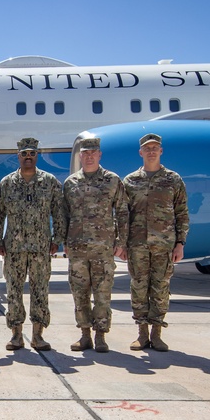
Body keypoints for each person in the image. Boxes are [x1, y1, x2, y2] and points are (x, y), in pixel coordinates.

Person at [0, 137, 66, 351]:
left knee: (40, 290)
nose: (28, 157)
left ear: (37, 156)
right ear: (18, 156)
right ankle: (16, 334)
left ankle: (38, 335)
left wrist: (57, 239)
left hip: (41, 247)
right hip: (14, 249)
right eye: (24, 154)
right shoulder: (6, 183)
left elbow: (58, 212)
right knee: (13, 291)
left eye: (32, 154)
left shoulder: (50, 182)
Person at [123, 133, 189, 352]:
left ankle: (157, 334)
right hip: (137, 244)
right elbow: (123, 215)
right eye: (147, 148)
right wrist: (122, 243)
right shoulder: (131, 181)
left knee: (160, 288)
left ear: (161, 151)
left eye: (155, 148)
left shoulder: (173, 179)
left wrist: (180, 243)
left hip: (164, 244)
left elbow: (182, 212)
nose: (151, 151)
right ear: (141, 152)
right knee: (139, 287)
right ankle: (142, 334)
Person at [62, 136, 128, 353]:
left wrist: (121, 242)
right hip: (78, 250)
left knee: (102, 294)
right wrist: (65, 243)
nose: (89, 156)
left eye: (93, 153)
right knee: (79, 294)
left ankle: (100, 336)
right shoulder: (71, 183)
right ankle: (84, 335)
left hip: (103, 249)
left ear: (99, 155)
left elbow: (122, 212)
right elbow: (64, 215)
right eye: (85, 153)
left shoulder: (112, 180)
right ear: (80, 156)